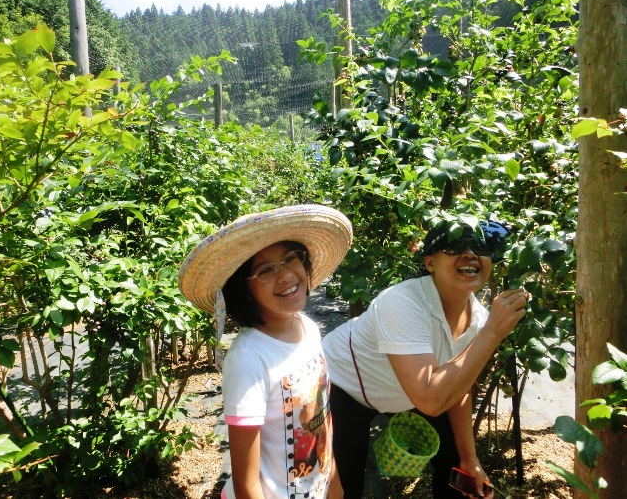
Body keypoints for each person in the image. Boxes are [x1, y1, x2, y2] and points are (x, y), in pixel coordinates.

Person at [322, 218, 528, 499]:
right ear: (430, 263)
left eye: (481, 247)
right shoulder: (402, 302)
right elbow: (430, 400)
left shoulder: (479, 319)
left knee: (457, 467)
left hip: (407, 388)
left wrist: (470, 460)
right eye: (455, 246)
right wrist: (494, 331)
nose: (470, 254)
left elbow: (457, 388)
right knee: (345, 483)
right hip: (343, 385)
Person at [178, 204, 353, 499]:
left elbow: (322, 421)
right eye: (265, 270)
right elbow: (247, 484)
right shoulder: (249, 358)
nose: (284, 275)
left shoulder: (308, 329)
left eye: (290, 259)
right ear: (243, 291)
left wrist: (334, 485)